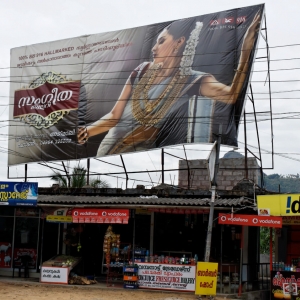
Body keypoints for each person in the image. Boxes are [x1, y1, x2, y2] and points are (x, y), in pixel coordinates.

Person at [78, 12, 261, 156]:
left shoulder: (193, 80)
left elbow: (231, 95)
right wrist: (87, 131)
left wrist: (246, 48)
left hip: (139, 152)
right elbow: (114, 116)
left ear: (179, 42)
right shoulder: (141, 70)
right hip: (108, 149)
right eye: (156, 42)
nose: (154, 48)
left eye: (161, 41)